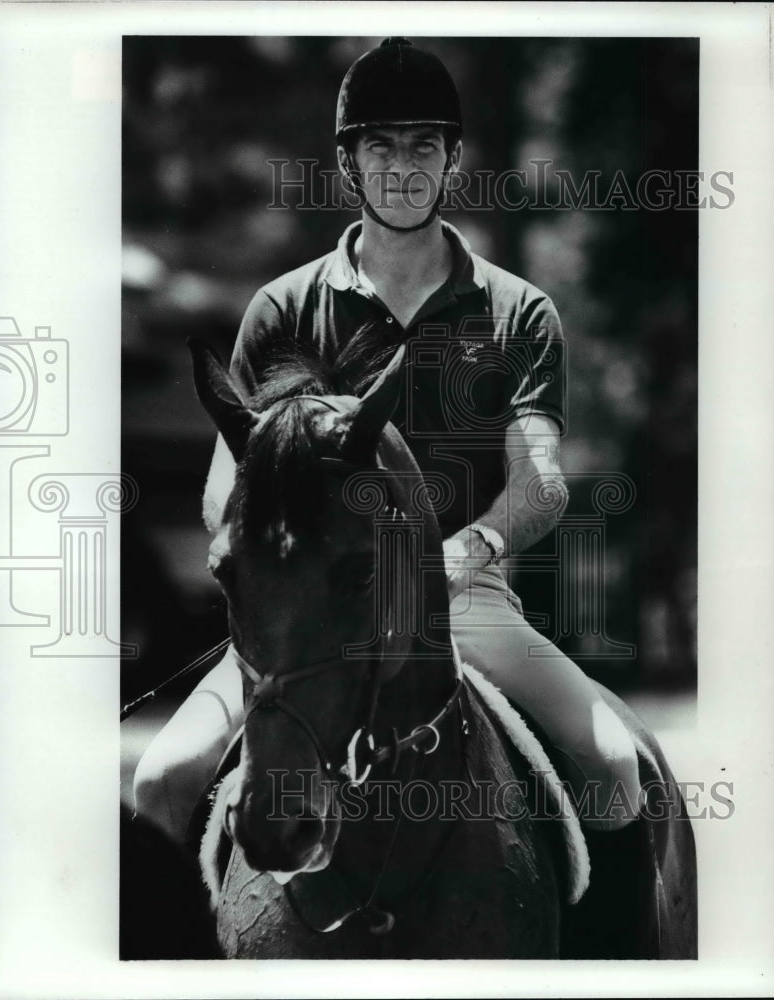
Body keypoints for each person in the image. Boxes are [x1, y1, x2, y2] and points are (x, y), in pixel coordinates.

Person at [134, 37, 642, 849]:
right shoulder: (280, 308)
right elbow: (221, 484)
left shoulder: (519, 314)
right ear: (348, 164)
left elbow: (540, 483)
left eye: (422, 146)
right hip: (301, 617)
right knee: (159, 783)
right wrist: (273, 565)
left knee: (615, 765)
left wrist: (463, 552)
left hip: (460, 603)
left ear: (452, 160)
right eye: (380, 145)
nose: (402, 167)